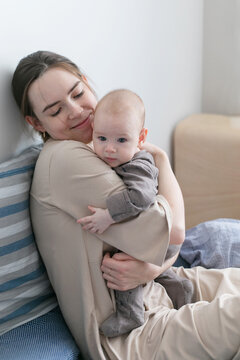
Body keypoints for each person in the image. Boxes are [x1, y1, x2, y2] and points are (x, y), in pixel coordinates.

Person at [11, 50, 240, 360]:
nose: (77, 111)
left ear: (87, 84)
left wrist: (152, 269)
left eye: (78, 94)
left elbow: (160, 244)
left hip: (161, 291)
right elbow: (173, 232)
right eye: (56, 110)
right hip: (132, 335)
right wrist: (162, 160)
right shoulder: (66, 160)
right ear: (35, 122)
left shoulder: (102, 147)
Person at [78, 89, 193, 337]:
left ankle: (130, 314)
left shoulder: (139, 164)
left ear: (141, 138)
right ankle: (179, 288)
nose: (109, 149)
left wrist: (108, 216)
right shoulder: (110, 157)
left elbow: (141, 196)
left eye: (121, 140)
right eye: (102, 138)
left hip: (160, 239)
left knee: (123, 260)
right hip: (158, 240)